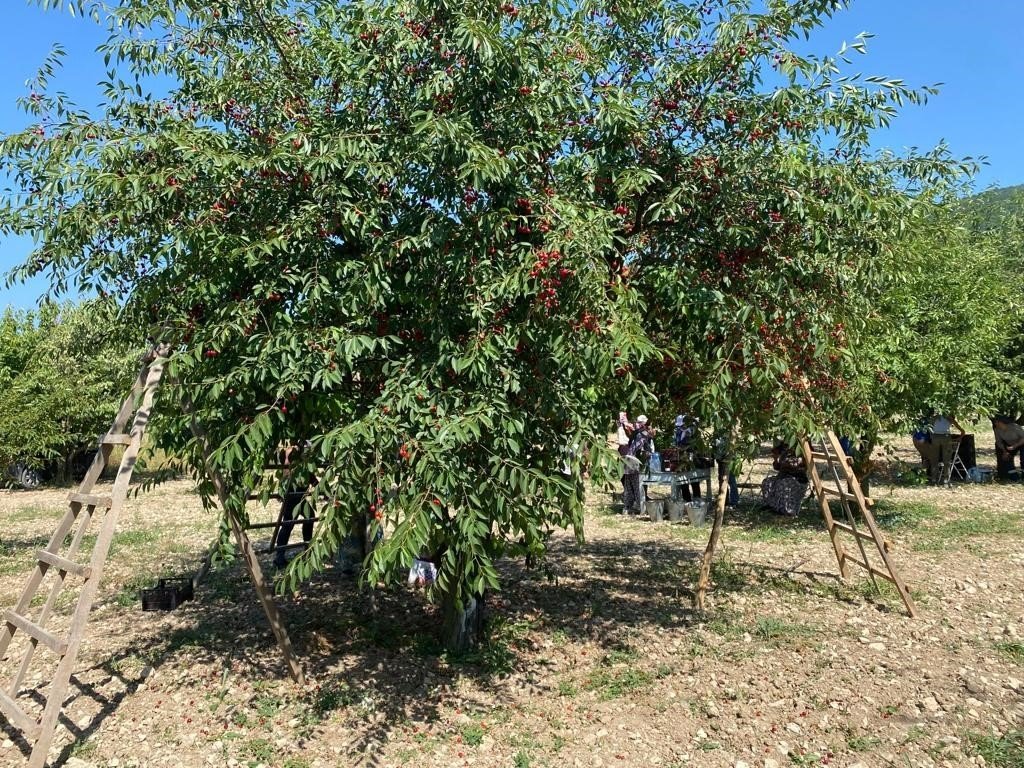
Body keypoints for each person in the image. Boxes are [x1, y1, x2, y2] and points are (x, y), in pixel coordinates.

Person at [273, 442, 315, 569]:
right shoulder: (291, 451)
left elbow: (309, 474)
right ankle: (279, 556)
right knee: (288, 523)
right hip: (292, 493)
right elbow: (287, 472)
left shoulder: (300, 453)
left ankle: (307, 549)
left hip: (300, 495)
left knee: (309, 517)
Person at [761, 441, 808, 516]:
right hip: (783, 476)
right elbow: (777, 466)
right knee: (767, 482)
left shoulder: (802, 447)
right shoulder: (784, 448)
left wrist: (786, 464)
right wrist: (776, 459)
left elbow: (801, 465)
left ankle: (786, 510)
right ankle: (772, 506)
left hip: (798, 478)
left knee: (784, 483)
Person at [621, 415, 654, 514]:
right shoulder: (642, 434)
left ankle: (628, 506)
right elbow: (641, 450)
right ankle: (638, 506)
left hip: (630, 461)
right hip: (635, 463)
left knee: (630, 485)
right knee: (636, 485)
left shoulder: (638, 433)